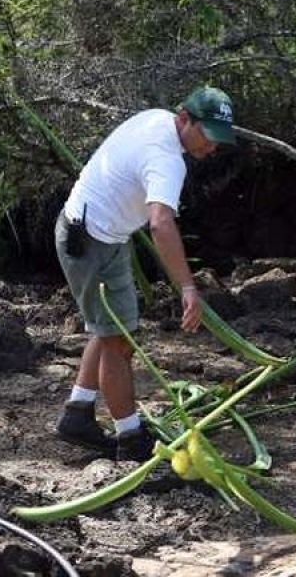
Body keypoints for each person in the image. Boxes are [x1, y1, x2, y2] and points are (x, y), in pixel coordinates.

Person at [53, 86, 235, 461]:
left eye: (218, 139)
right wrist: (187, 288)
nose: (212, 146)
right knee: (118, 343)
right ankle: (131, 438)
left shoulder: (156, 119)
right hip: (89, 242)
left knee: (109, 330)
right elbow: (160, 224)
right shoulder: (167, 159)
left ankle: (78, 413)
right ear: (184, 118)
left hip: (103, 234)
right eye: (207, 135)